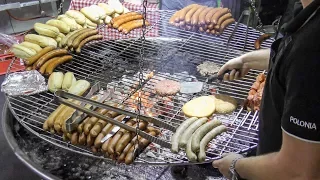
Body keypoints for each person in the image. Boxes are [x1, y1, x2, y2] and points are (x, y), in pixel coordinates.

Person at [212, 0, 320, 179]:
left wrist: (235, 166)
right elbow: (290, 54)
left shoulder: (312, 49)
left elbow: (298, 171)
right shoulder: (309, 11)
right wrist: (247, 60)